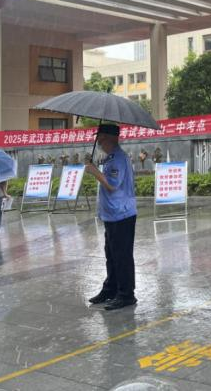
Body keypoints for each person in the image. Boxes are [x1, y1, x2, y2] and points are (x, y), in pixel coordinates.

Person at [85, 124, 138, 311]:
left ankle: (126, 294)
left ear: (109, 138)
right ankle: (111, 289)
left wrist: (94, 171)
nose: (98, 141)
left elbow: (112, 185)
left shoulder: (118, 159)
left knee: (122, 256)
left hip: (121, 215)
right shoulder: (110, 158)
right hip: (112, 215)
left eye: (100, 138)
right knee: (112, 254)